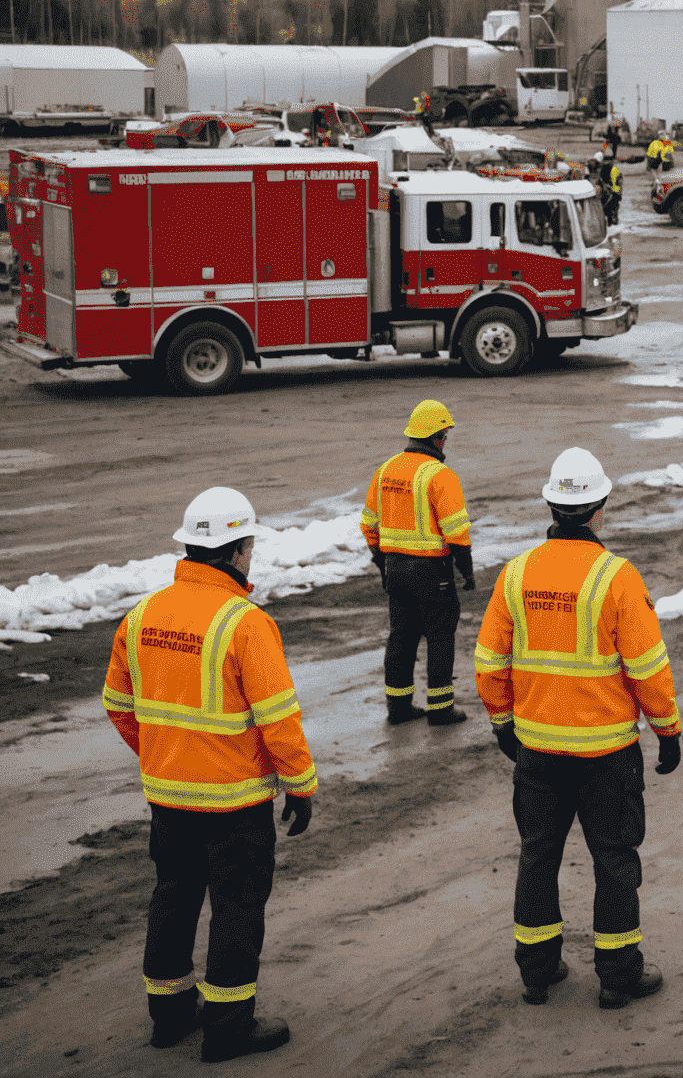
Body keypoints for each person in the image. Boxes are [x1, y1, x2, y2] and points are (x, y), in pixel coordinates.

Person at [102, 487, 318, 1062]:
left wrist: (160, 753)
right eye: (250, 545)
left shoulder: (142, 614)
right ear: (239, 550)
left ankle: (169, 1015)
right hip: (235, 802)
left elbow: (117, 702)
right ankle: (228, 1025)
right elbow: (278, 720)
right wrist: (300, 785)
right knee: (237, 907)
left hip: (168, 796)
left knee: (172, 897)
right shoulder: (244, 622)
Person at [475, 449, 682, 1010]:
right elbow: (647, 668)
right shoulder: (616, 577)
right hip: (607, 753)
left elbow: (490, 662)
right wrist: (667, 730)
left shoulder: (516, 573)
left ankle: (538, 971)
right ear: (601, 508)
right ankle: (618, 976)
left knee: (537, 855)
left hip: (537, 750)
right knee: (614, 860)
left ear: (550, 503)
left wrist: (502, 723)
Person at [360, 400, 475, 726]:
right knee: (440, 637)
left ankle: (398, 707)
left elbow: (369, 523)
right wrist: (466, 571)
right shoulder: (440, 475)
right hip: (431, 572)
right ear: (438, 437)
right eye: (445, 435)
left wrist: (382, 562)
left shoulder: (384, 470)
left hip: (395, 569)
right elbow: (456, 532)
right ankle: (441, 709)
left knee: (401, 637)